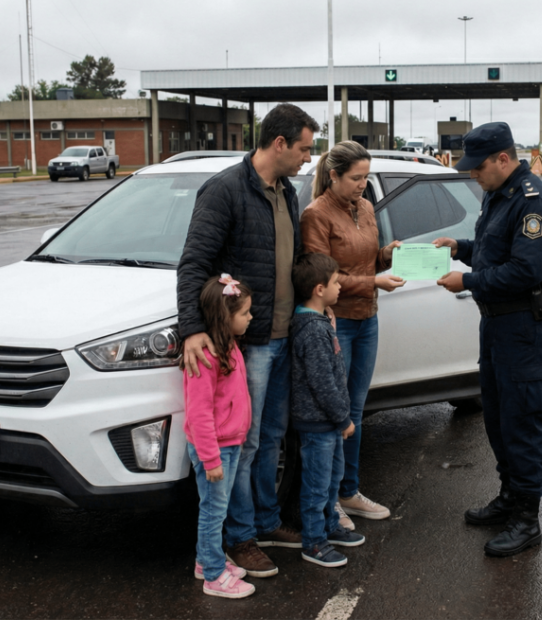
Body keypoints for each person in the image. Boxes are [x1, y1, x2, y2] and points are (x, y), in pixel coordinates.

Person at [178, 103, 320, 577]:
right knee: (246, 442)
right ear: (279, 144)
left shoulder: (287, 191)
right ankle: (239, 537)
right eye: (303, 148)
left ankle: (265, 521)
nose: (307, 158)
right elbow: (194, 264)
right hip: (250, 344)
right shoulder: (224, 190)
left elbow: (294, 260)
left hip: (282, 338)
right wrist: (192, 328)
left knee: (272, 438)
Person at [434, 122, 542, 558]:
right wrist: (461, 247)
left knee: (521, 420)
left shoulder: (534, 203)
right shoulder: (498, 193)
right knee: (497, 416)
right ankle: (510, 496)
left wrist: (467, 279)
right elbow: (495, 249)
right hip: (497, 324)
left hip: (525, 325)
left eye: (479, 166)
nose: (473, 174)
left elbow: (525, 270)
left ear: (503, 159)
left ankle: (528, 520)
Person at [300, 141, 404, 530]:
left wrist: (386, 255)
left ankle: (348, 490)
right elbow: (320, 277)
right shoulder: (316, 215)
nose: (364, 185)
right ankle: (330, 501)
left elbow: (365, 257)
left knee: (356, 412)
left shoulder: (363, 207)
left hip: (368, 318)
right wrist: (373, 280)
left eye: (366, 177)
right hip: (335, 322)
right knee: (335, 414)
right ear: (333, 176)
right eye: (356, 178)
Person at [290, 253, 367, 567]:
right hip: (319, 424)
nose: (340, 287)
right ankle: (314, 542)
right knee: (317, 485)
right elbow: (322, 382)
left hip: (329, 424)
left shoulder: (319, 322)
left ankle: (329, 527)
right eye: (336, 282)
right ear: (319, 289)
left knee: (332, 477)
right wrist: (343, 418)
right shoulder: (311, 331)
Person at [182, 274, 255, 599]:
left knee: (216, 509)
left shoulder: (230, 348)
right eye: (245, 313)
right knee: (213, 511)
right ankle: (213, 575)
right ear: (227, 317)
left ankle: (205, 560)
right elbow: (198, 414)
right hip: (214, 450)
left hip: (230, 444)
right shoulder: (205, 359)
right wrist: (210, 458)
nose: (251, 317)